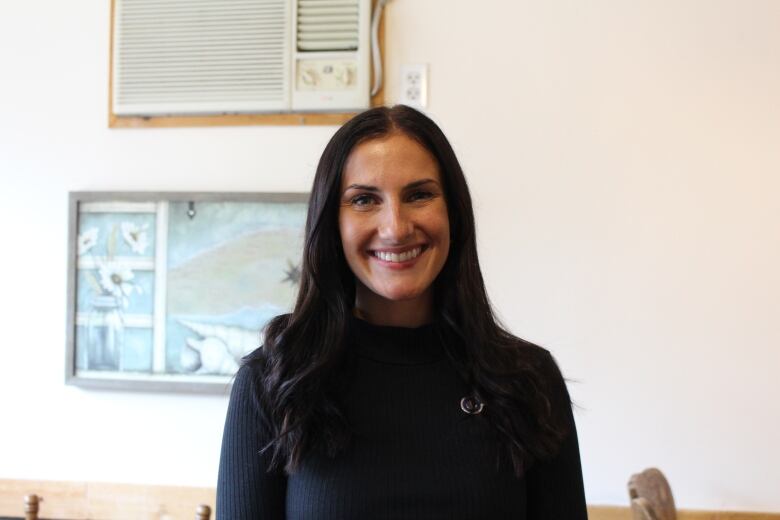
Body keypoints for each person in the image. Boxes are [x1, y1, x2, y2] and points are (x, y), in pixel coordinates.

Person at [216, 105, 588, 519]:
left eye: (419, 195)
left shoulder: (528, 381)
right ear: (331, 223)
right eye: (363, 199)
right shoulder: (272, 385)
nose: (395, 227)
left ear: (453, 212)